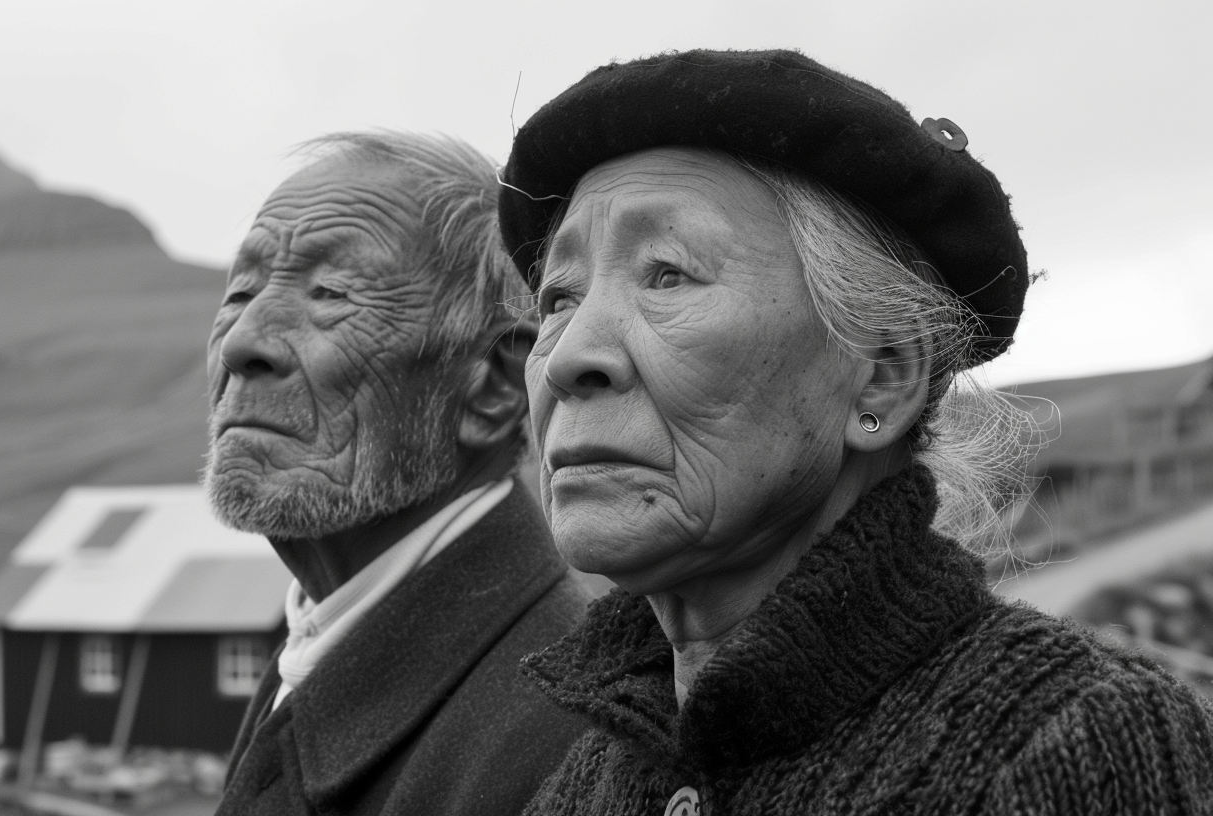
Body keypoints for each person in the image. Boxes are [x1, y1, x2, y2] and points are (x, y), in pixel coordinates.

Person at [496, 49, 1213, 815]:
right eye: (559, 296)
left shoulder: (1073, 745)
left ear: (883, 378)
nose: (569, 356)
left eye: (668, 272)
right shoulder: (586, 783)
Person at [205, 131, 591, 815]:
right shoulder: (326, 639)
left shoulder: (570, 741)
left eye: (331, 293)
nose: (241, 343)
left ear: (495, 385)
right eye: (239, 293)